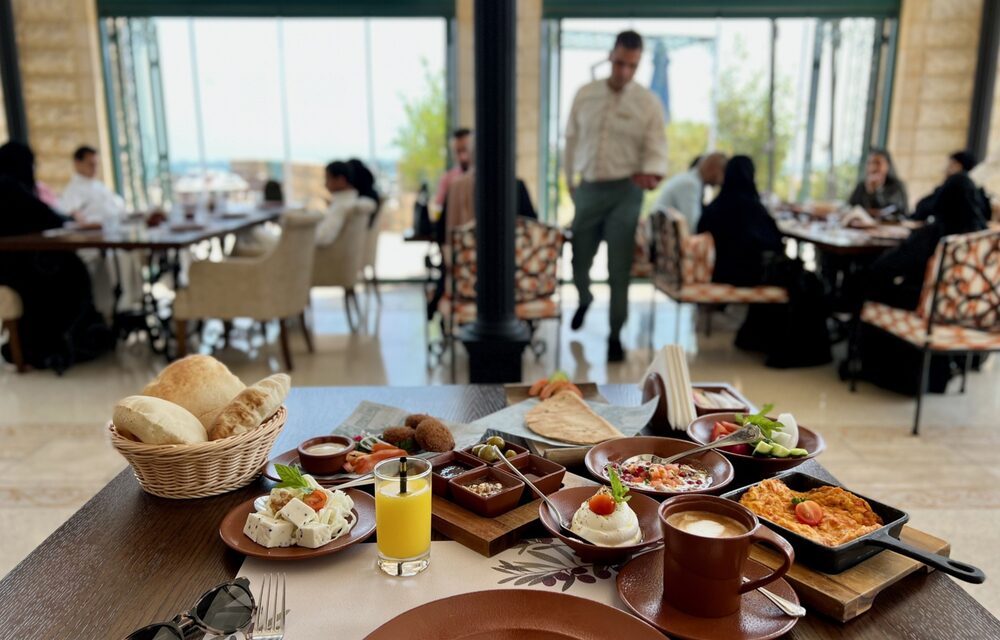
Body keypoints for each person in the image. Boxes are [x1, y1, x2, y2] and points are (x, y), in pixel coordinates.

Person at [564, 30, 668, 362]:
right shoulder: (585, 94)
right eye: (620, 63)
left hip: (626, 190)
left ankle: (614, 334)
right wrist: (570, 182)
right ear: (611, 56)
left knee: (618, 267)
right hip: (589, 188)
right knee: (579, 257)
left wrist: (651, 173)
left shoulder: (648, 103)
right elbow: (570, 140)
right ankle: (583, 297)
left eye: (632, 66)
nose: (624, 72)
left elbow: (656, 148)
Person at [850, 173, 988, 394]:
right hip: (966, 313)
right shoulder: (984, 241)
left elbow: (883, 268)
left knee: (866, 284)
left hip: (927, 312)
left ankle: (863, 362)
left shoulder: (936, 234)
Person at [0, 142, 113, 371]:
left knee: (71, 268)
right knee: (72, 273)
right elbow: (46, 216)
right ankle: (62, 344)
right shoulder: (7, 187)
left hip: (15, 262)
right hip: (16, 265)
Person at [697, 156, 782, 287]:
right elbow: (774, 242)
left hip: (712, 273)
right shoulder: (753, 209)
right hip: (744, 278)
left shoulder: (713, 207)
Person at [912, 150, 991, 221]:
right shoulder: (976, 187)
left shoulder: (955, 183)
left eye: (949, 165)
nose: (945, 170)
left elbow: (927, 207)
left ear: (957, 166)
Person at [654, 152, 727, 229]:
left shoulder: (690, 181)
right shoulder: (690, 185)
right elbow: (692, 225)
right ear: (713, 168)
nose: (722, 180)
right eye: (723, 172)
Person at [314, 160, 378, 246]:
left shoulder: (342, 206)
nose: (325, 184)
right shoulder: (354, 202)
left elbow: (323, 237)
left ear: (341, 180)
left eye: (328, 178)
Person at [58, 145, 126, 223]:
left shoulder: (99, 185)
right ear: (77, 163)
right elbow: (73, 218)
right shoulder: (72, 191)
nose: (95, 168)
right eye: (91, 164)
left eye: (96, 164)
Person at [848, 148, 909, 219]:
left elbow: (899, 212)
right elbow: (850, 207)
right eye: (870, 163)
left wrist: (876, 191)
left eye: (878, 163)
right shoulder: (861, 186)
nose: (873, 167)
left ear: (888, 165)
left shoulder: (897, 187)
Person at [434, 128, 473, 210]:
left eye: (465, 150)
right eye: (458, 152)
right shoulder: (448, 179)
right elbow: (438, 208)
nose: (463, 157)